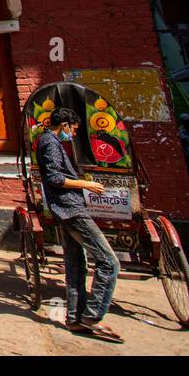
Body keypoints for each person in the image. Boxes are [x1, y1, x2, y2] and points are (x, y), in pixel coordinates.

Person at [36, 107, 122, 342]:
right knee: (109, 261)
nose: (73, 134)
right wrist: (86, 185)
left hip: (65, 209)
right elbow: (54, 178)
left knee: (76, 264)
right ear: (64, 125)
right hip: (70, 209)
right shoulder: (50, 143)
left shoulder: (50, 142)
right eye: (72, 129)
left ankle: (75, 318)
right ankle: (93, 316)